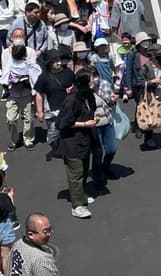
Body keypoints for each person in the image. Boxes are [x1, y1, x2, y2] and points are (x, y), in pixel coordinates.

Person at [57, 70, 97, 219]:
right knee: (76, 173)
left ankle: (81, 194)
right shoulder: (71, 100)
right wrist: (84, 124)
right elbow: (62, 123)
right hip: (72, 142)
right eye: (92, 79)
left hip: (85, 140)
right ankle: (77, 205)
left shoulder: (89, 95)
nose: (94, 82)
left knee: (85, 169)